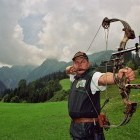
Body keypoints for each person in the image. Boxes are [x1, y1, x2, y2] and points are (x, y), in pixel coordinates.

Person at [66, 51, 135, 140]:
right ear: (73, 65)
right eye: (76, 62)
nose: (79, 65)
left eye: (82, 62)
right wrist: (68, 69)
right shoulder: (74, 77)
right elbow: (68, 70)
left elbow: (103, 78)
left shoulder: (93, 76)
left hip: (89, 130)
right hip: (75, 128)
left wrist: (117, 76)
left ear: (88, 64)